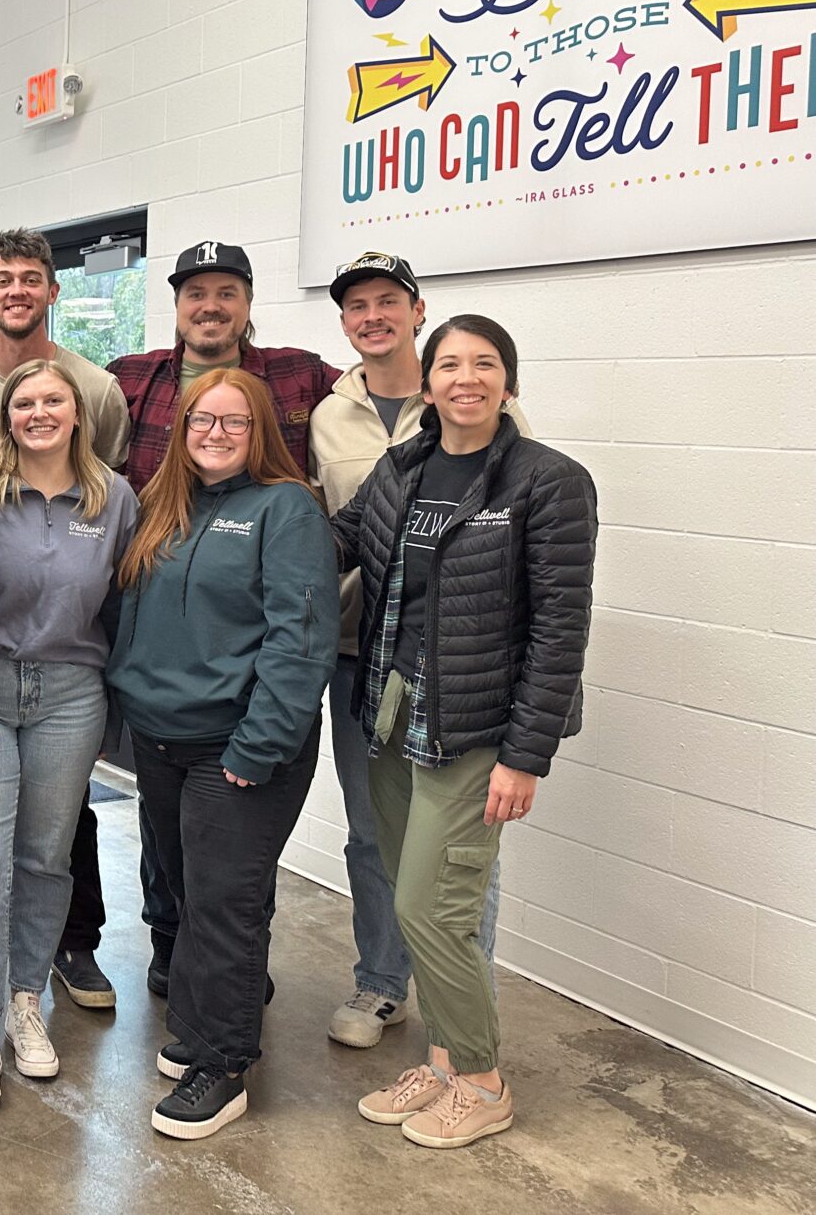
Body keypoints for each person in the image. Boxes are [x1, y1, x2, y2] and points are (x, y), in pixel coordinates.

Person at [336, 316, 596, 1149]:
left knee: (433, 906)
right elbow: (338, 539)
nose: (465, 377)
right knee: (405, 896)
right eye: (449, 364)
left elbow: (560, 626)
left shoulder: (546, 480)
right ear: (427, 384)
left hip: (476, 726)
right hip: (391, 708)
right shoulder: (400, 467)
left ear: (507, 384)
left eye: (484, 364)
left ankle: (482, 1081)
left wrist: (526, 755)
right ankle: (444, 1063)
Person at [107, 367, 339, 1141]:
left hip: (236, 746)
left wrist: (261, 742)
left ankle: (223, 1062)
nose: (215, 433)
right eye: (202, 420)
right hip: (159, 738)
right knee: (185, 891)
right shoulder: (159, 507)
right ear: (181, 428)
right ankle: (211, 1019)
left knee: (222, 905)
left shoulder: (287, 510)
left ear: (261, 432)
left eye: (234, 423)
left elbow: (299, 638)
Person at [108, 240, 341, 998]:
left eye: (225, 292)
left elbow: (384, 400)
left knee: (230, 860)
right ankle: (169, 948)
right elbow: (46, 413)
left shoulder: (301, 375)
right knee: (164, 842)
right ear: (176, 307)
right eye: (194, 293)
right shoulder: (133, 379)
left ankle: (231, 982)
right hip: (162, 635)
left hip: (242, 635)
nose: (209, 306)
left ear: (246, 303)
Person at [310, 252, 531, 1049]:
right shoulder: (329, 416)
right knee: (375, 832)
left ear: (415, 310)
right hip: (359, 657)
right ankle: (381, 986)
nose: (371, 316)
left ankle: (458, 1014)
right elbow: (323, 531)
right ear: (343, 321)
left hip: (461, 673)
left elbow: (535, 583)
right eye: (355, 305)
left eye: (387, 302)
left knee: (461, 851)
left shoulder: (507, 441)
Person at [0, 359, 137, 1106]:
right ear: (7, 415)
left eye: (54, 399)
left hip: (70, 695)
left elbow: (123, 605)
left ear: (78, 412)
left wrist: (117, 707)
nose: (39, 412)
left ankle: (26, 1000)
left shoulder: (112, 497)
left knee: (46, 858)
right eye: (25, 402)